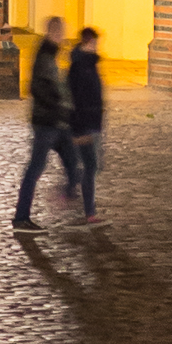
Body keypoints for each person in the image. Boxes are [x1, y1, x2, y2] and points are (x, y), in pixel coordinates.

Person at [12, 15, 77, 226]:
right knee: (35, 168)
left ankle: (75, 204)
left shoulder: (50, 54)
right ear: (53, 33)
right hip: (46, 123)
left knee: (73, 163)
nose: (63, 37)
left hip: (55, 122)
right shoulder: (44, 56)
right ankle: (21, 218)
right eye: (60, 33)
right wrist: (59, 104)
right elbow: (38, 88)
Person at [66, 25, 106, 221]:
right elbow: (77, 99)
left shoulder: (87, 64)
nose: (97, 47)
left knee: (89, 165)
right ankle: (88, 211)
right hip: (84, 125)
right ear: (88, 42)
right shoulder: (81, 68)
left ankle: (73, 193)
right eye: (95, 43)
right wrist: (80, 128)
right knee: (90, 165)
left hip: (90, 124)